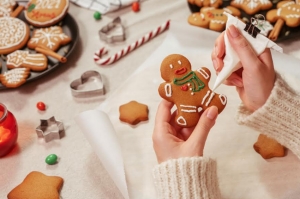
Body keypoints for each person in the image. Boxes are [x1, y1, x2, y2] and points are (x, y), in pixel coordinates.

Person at [152, 24, 300, 199]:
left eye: (179, 62)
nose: (178, 66)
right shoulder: (172, 86)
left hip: (204, 96)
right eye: (173, 66)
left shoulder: (195, 76)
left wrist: (181, 180)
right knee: (187, 110)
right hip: (187, 106)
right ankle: (187, 115)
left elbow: (204, 74)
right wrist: (270, 102)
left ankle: (216, 100)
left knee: (210, 98)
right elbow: (166, 90)